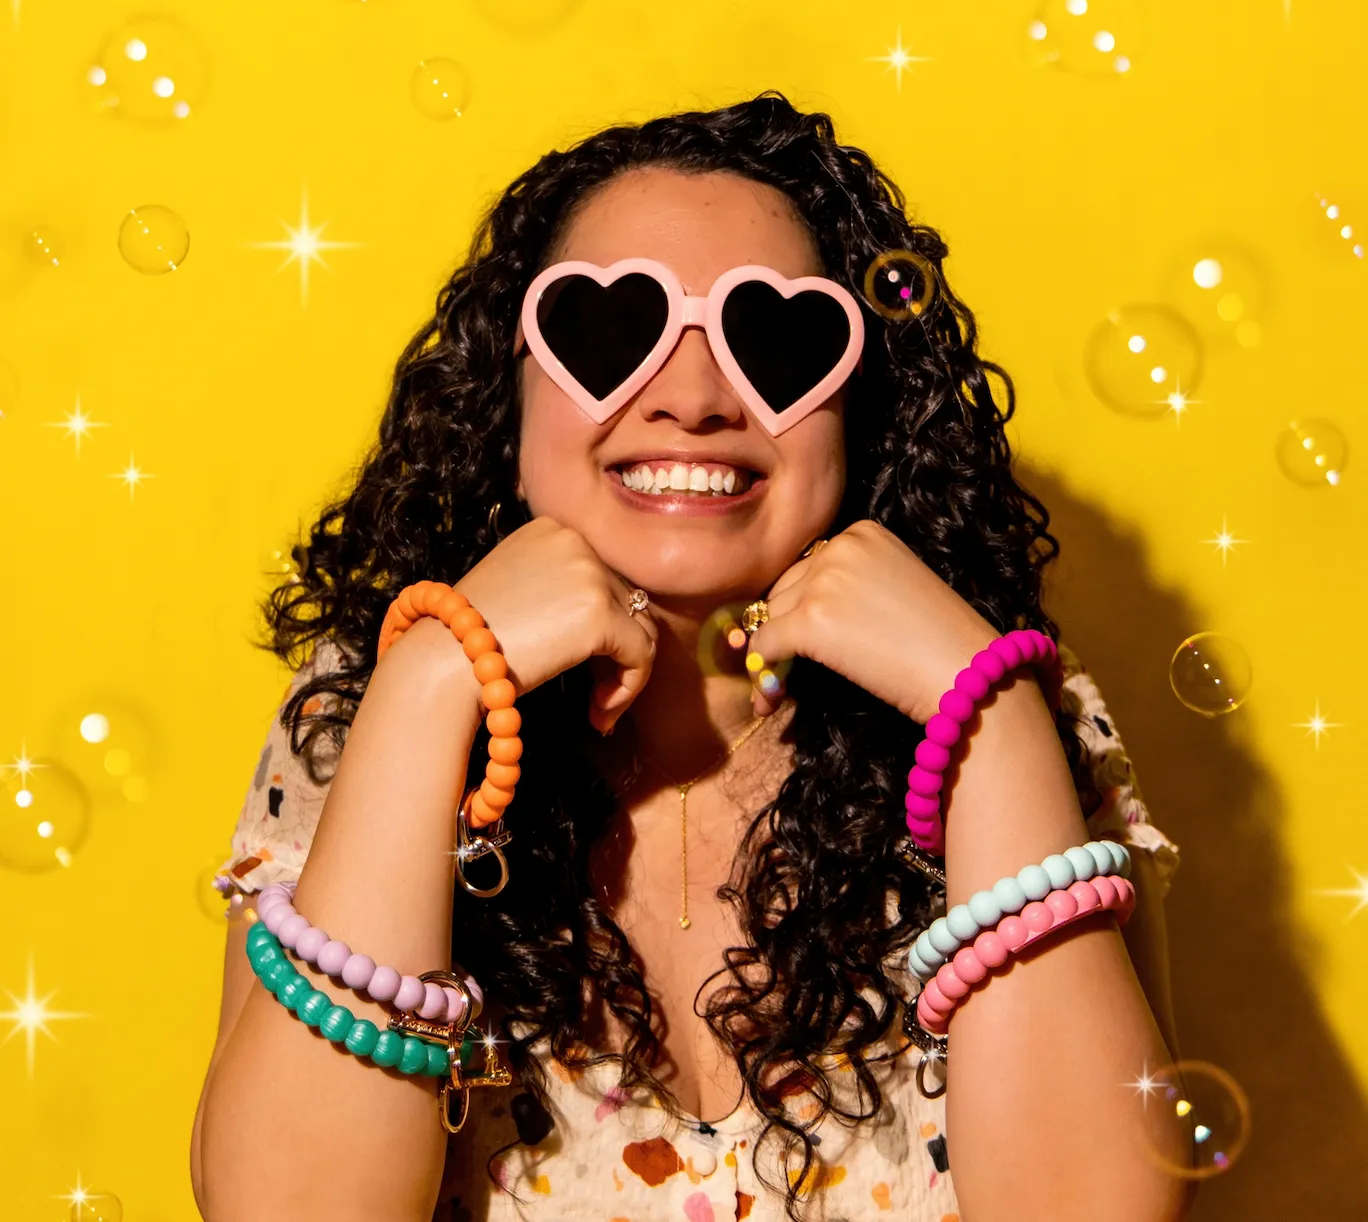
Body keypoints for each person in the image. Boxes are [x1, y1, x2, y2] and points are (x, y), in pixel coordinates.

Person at [191, 93, 1189, 1222]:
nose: (694, 398)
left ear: (859, 413)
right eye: (611, 331)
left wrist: (989, 714)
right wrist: (432, 685)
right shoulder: (368, 710)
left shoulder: (1018, 708)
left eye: (777, 340)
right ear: (506, 397)